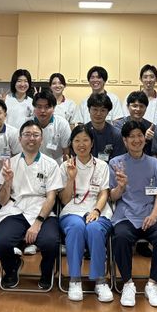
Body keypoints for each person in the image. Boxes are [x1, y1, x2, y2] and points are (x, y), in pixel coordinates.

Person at [110, 120, 157, 308]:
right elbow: (112, 196)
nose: (136, 140)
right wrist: (121, 186)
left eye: (139, 136)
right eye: (132, 137)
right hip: (126, 214)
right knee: (120, 237)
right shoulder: (116, 163)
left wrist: (154, 215)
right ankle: (127, 283)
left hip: (150, 213)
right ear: (125, 140)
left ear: (145, 139)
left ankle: (152, 284)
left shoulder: (156, 163)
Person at [0, 121, 63, 289]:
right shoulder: (10, 163)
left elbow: (51, 198)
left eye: (35, 135)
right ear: (20, 139)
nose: (31, 138)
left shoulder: (50, 164)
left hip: (42, 212)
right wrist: (7, 182)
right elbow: (2, 201)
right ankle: (12, 267)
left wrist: (38, 223)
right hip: (16, 210)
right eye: (27, 134)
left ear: (42, 139)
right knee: (0, 244)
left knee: (50, 243)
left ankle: (46, 272)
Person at [58, 125, 113, 303]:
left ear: (92, 143)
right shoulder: (65, 166)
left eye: (85, 140)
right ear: (71, 144)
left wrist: (96, 210)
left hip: (97, 208)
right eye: (77, 141)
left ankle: (100, 280)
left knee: (94, 229)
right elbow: (64, 199)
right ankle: (75, 279)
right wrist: (71, 178)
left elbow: (104, 193)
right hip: (72, 209)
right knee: (76, 228)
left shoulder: (102, 165)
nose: (81, 144)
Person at [33, 88, 71, 164]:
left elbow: (66, 151)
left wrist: (64, 169)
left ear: (54, 108)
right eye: (39, 107)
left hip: (56, 163)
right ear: (34, 108)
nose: (42, 111)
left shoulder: (62, 124)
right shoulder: (28, 124)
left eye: (47, 107)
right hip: (34, 163)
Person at [85, 92, 126, 162]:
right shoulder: (82, 132)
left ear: (108, 112)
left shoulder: (116, 134)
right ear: (89, 110)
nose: (98, 114)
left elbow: (118, 161)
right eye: (95, 109)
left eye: (103, 110)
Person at [114, 91, 155, 155]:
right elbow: (119, 145)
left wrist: (151, 139)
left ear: (146, 108)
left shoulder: (151, 127)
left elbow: (154, 150)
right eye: (134, 106)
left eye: (141, 106)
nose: (138, 109)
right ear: (127, 106)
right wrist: (143, 138)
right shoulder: (119, 125)